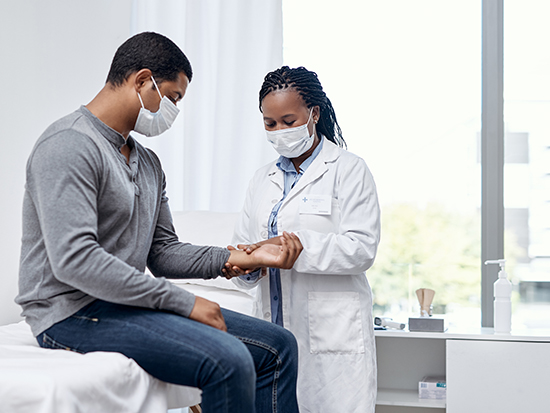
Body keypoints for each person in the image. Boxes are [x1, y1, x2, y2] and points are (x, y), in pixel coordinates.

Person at [15, 32, 303, 413]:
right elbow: (76, 261)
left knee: (278, 347)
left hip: (122, 304)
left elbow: (163, 253)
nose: (173, 111)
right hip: (69, 313)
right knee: (228, 360)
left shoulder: (148, 164)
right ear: (141, 80)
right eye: (173, 97)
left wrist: (246, 257)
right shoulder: (69, 145)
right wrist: (184, 303)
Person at [231, 66, 381, 412]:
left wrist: (293, 250)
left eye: (288, 120)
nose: (279, 131)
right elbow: (245, 244)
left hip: (330, 332)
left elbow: (361, 248)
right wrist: (249, 266)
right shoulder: (261, 179)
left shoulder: (348, 169)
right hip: (272, 334)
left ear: (313, 113)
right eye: (270, 124)